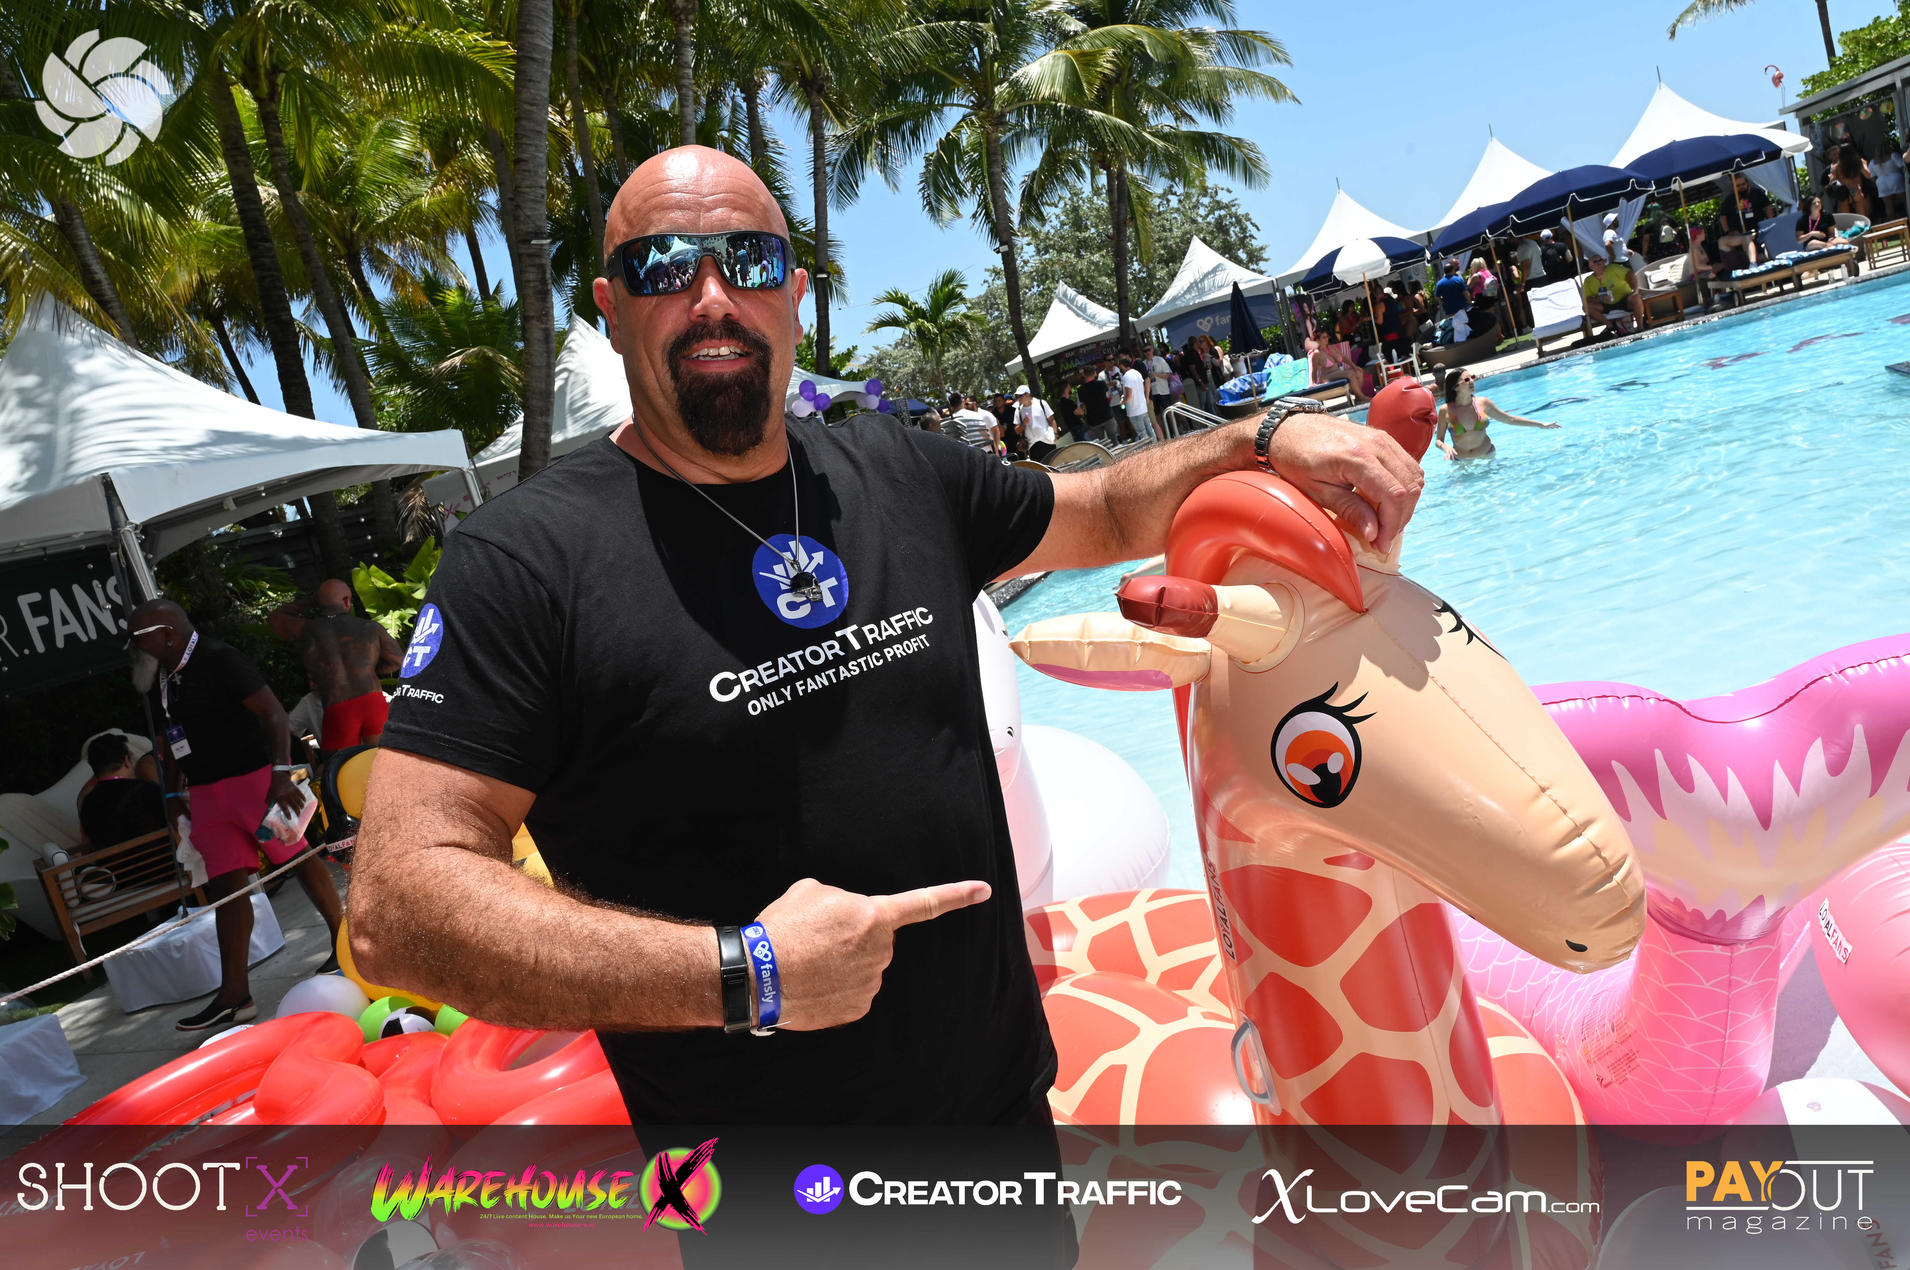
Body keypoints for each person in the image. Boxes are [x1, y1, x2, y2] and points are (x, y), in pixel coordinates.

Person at [349, 145, 1420, 1136]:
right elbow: (397, 908)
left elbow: (1099, 510)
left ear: (792, 292)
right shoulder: (524, 563)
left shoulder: (898, 473)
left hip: (1003, 1124)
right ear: (611, 307)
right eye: (664, 266)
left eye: (748, 261)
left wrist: (1264, 435)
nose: (712, 296)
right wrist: (744, 974)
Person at [126, 599, 346, 1029]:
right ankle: (235, 995)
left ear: (168, 633)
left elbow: (274, 714)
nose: (133, 646)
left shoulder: (219, 658)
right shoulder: (162, 676)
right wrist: (171, 791)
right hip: (206, 794)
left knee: (297, 857)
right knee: (227, 886)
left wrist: (280, 774)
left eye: (138, 637)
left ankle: (344, 939)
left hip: (254, 780)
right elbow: (171, 739)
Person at [269, 579, 403, 756]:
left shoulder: (306, 630)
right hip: (373, 702)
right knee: (385, 759)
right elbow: (397, 661)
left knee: (342, 767)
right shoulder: (370, 627)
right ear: (346, 601)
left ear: (319, 601)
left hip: (338, 709)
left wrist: (311, 600)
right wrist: (368, 669)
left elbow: (275, 617)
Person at [1435, 367, 1561, 460]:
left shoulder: (1483, 403)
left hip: (1487, 455)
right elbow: (1439, 440)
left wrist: (1540, 425)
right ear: (1455, 387)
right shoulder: (1446, 410)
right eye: (1467, 380)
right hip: (1461, 460)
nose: (1472, 381)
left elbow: (1510, 419)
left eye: (1473, 377)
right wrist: (1446, 448)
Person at [76, 732, 166, 850]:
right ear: (126, 761)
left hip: (113, 862)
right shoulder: (147, 790)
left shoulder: (87, 803)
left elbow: (89, 846)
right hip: (159, 858)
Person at [1580, 251, 1644, 336]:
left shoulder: (1613, 268)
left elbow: (1630, 273)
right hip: (1605, 305)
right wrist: (1601, 299)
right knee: (1586, 307)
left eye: (1601, 260)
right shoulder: (1588, 280)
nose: (1599, 263)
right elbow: (1587, 300)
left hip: (1623, 299)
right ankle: (1611, 326)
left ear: (1604, 261)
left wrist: (1635, 290)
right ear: (1590, 266)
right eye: (1595, 261)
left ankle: (1640, 327)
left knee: (1636, 297)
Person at [1718, 172, 1772, 268]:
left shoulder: (1757, 193)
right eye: (1738, 186)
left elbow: (1768, 207)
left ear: (1747, 183)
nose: (1741, 187)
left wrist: (1770, 221)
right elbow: (1723, 216)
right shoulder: (1729, 199)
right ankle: (1753, 263)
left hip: (1758, 229)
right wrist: (1728, 231)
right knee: (1744, 241)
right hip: (1739, 233)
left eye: (1743, 184)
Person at [1012, 384, 1058, 463]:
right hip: (1032, 446)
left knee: (1055, 464)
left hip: (1048, 441)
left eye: (1020, 396)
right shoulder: (1018, 411)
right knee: (1041, 469)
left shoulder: (1041, 403)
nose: (1018, 398)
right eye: (1017, 396)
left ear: (1028, 394)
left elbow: (1051, 420)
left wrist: (1056, 434)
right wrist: (1024, 423)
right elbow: (1017, 430)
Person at [1118, 353, 1154, 443]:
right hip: (1142, 407)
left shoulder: (1126, 376)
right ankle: (1157, 446)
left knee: (1142, 434)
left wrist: (1123, 401)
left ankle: (1150, 450)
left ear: (1122, 366)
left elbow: (1129, 395)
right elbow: (1139, 388)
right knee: (1150, 430)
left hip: (1134, 410)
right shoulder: (1137, 372)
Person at [1433, 258, 1471, 342]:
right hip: (1461, 309)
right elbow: (1466, 293)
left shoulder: (1440, 283)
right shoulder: (1458, 279)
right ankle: (1468, 343)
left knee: (1453, 330)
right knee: (1464, 327)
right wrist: (1469, 302)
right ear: (1453, 270)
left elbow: (1437, 298)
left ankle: (1457, 344)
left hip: (1449, 311)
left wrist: (1443, 298)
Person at [1076, 362, 1111, 441]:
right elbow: (1108, 396)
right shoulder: (1102, 384)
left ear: (1084, 375)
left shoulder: (1081, 390)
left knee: (1102, 443)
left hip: (1094, 420)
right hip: (1107, 416)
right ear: (1095, 373)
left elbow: (1082, 405)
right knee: (1114, 439)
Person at [1875, 141, 1906, 223]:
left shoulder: (1873, 162)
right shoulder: (1893, 155)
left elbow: (1872, 176)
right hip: (1896, 179)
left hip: (1881, 183)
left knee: (1888, 205)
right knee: (1905, 200)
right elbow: (1903, 166)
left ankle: (1893, 224)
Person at [1145, 345, 1173, 431]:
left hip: (1163, 391)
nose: (1147, 352)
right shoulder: (1144, 363)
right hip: (1152, 393)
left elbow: (1168, 374)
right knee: (1157, 416)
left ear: (1152, 350)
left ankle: (1178, 431)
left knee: (1169, 412)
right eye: (1145, 351)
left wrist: (1156, 375)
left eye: (1148, 350)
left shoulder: (1159, 360)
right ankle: (1164, 436)